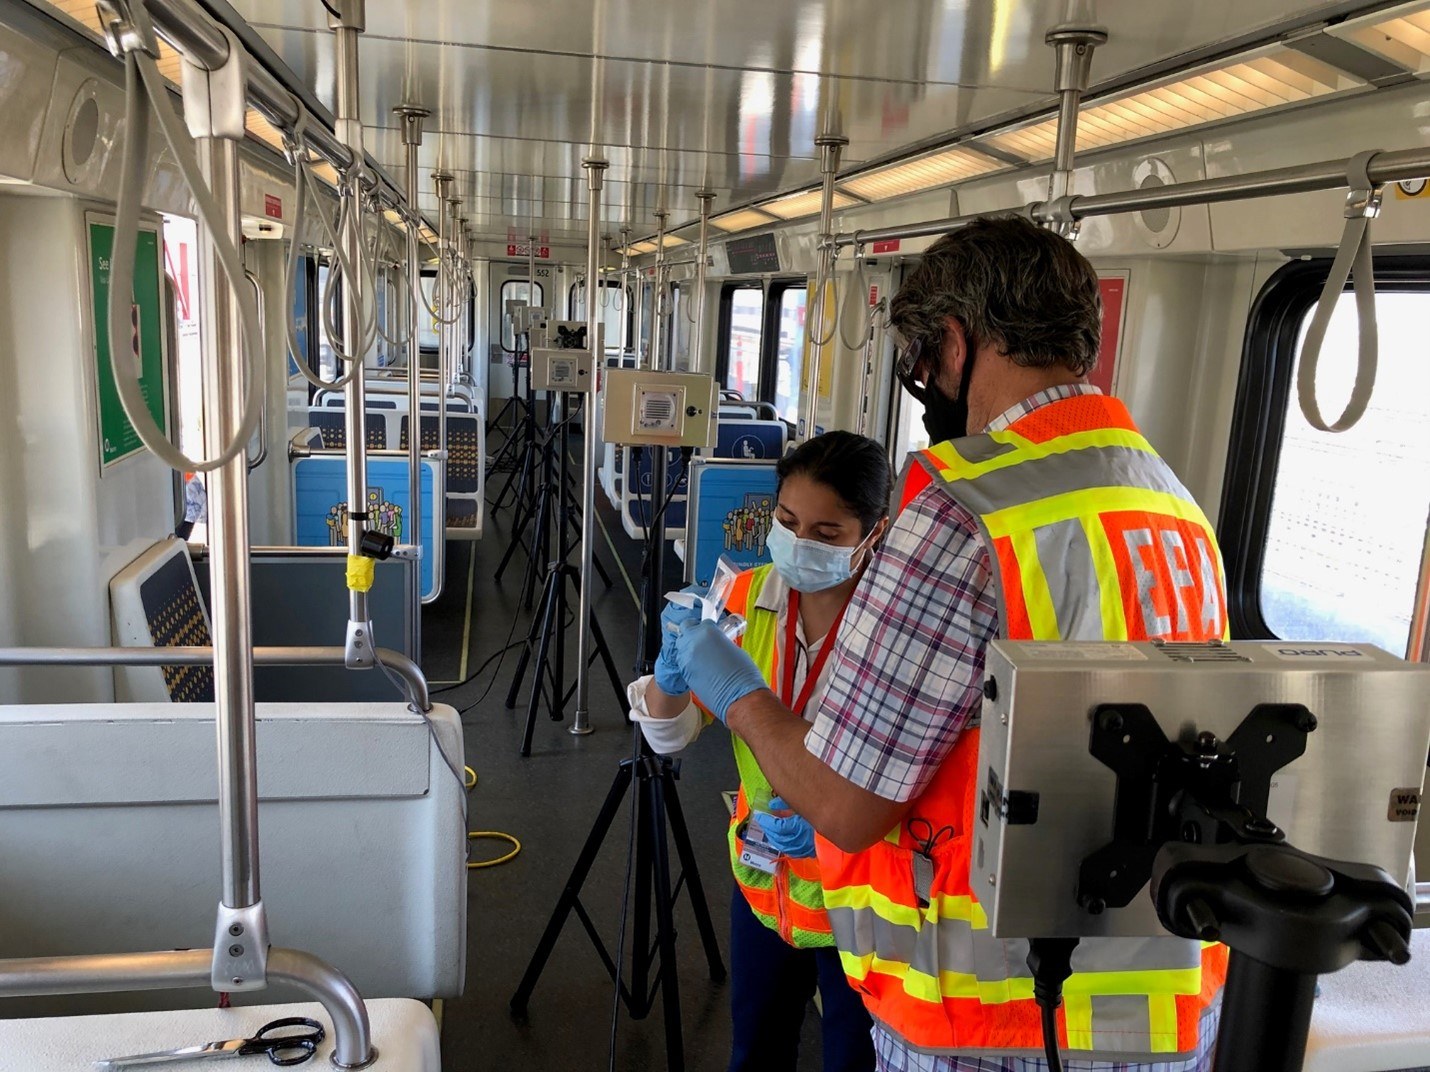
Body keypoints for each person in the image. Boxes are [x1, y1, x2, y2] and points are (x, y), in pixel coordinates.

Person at [672, 216, 1230, 1072]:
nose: (928, 387)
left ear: (958, 342)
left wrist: (738, 692)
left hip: (993, 1014)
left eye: (925, 363)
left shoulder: (967, 510)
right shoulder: (1174, 506)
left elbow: (847, 804)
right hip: (1155, 1008)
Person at [630, 431, 892, 1072]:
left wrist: (827, 826)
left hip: (859, 898)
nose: (799, 544)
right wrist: (670, 677)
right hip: (764, 880)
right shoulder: (741, 600)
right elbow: (667, 736)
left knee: (854, 1059)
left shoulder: (892, 629)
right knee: (755, 1052)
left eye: (826, 534)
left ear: (873, 534)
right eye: (786, 521)